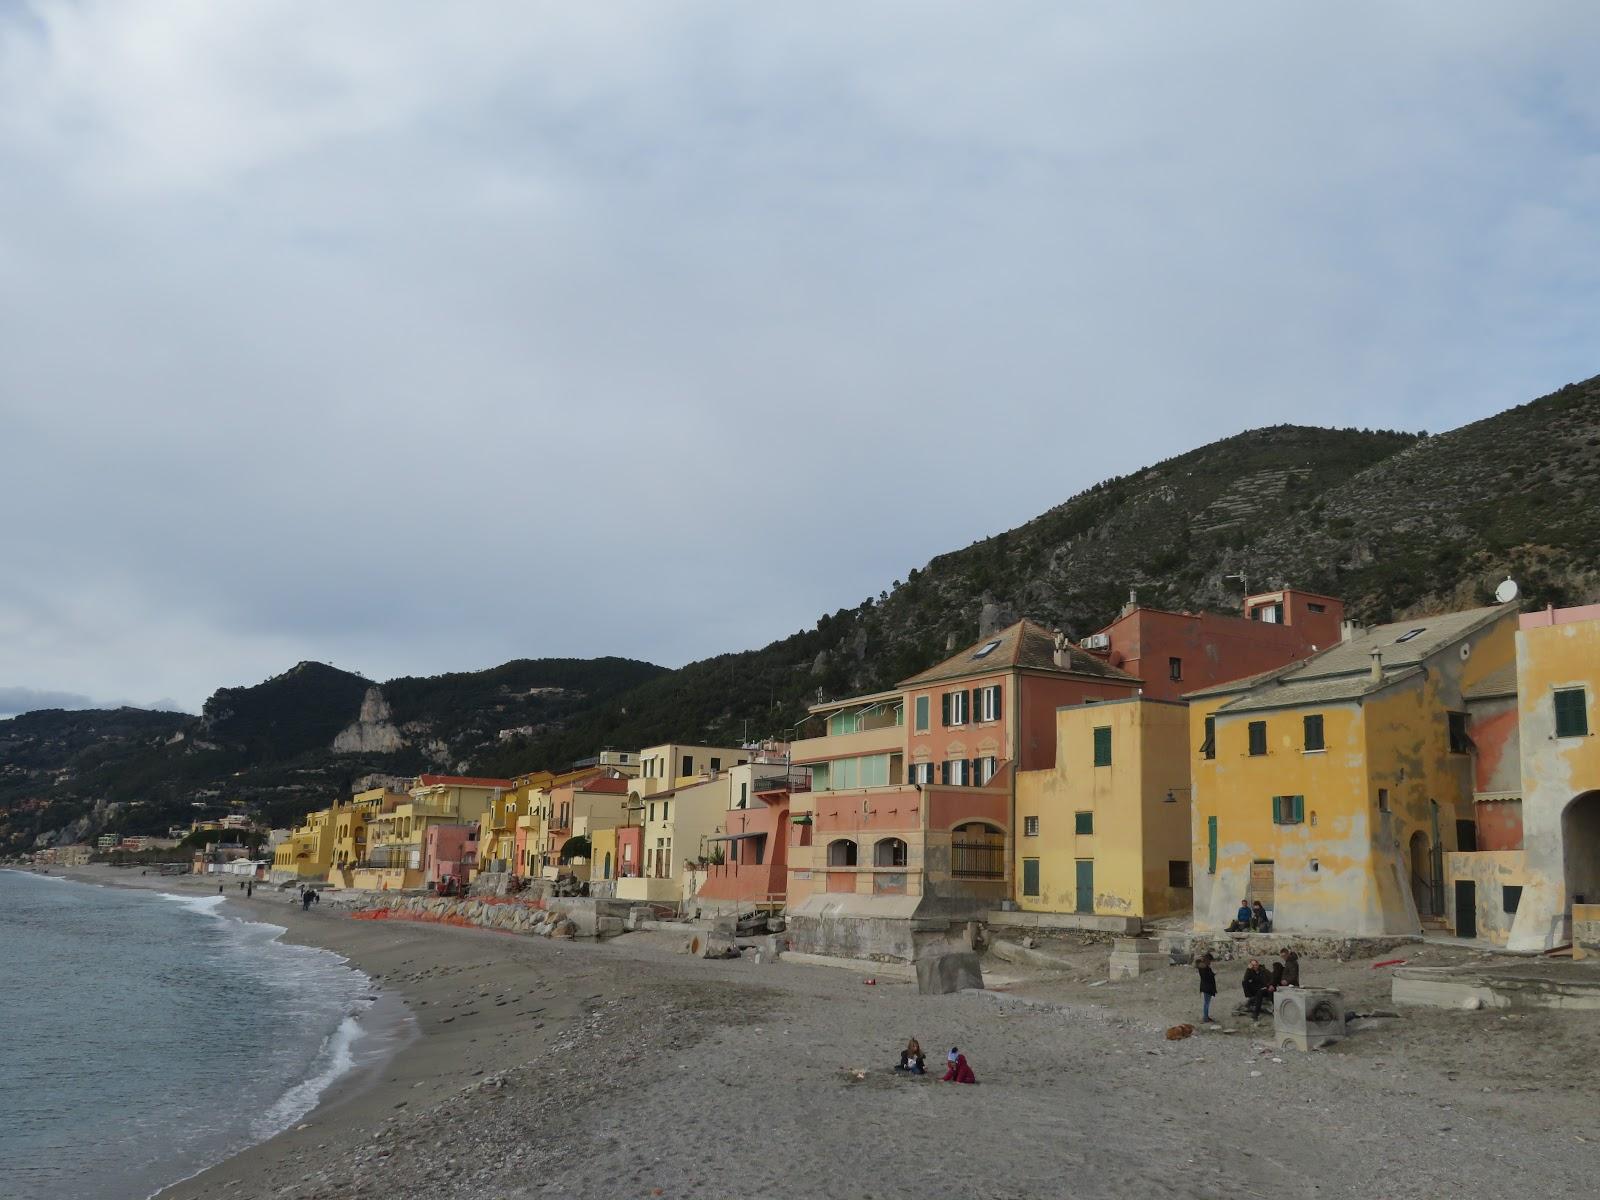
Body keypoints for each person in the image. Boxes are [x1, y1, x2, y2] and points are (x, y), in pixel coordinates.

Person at [1196, 954, 1218, 1023]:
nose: (1210, 962)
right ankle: (1205, 1018)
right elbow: (1207, 977)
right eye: (1210, 960)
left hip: (1205, 986)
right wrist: (1213, 974)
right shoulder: (1204, 968)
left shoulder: (1203, 966)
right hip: (1207, 987)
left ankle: (1206, 1017)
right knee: (1207, 1003)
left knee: (1206, 1003)